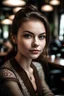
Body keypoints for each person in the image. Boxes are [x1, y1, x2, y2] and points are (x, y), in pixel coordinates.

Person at [0, 5, 54, 96]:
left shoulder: (38, 67)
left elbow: (47, 93)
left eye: (41, 36)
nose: (36, 43)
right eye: (27, 36)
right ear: (14, 38)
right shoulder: (6, 74)